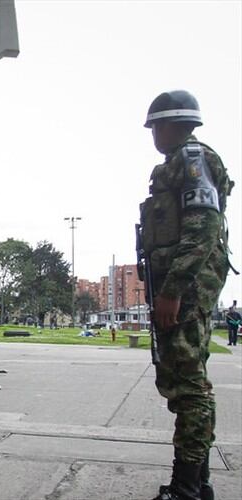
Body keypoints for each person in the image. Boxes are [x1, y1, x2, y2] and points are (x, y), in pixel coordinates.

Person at [138, 90, 233, 500]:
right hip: (185, 287)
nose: (153, 135)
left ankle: (187, 488)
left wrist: (173, 291)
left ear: (171, 124)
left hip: (187, 289)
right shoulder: (180, 162)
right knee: (184, 383)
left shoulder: (191, 161)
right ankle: (198, 484)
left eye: (155, 127)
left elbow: (202, 228)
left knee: (189, 388)